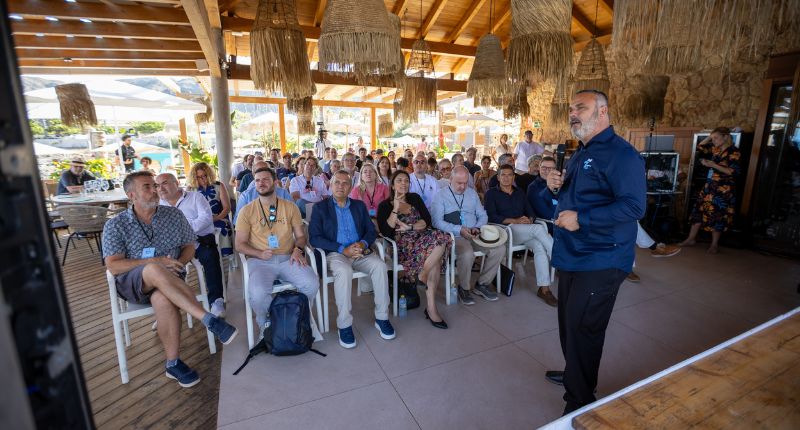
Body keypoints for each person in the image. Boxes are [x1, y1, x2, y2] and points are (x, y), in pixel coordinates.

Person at [544, 90, 646, 415]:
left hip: (602, 258)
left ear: (602, 111)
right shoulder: (580, 152)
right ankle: (576, 374)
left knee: (584, 330)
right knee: (569, 326)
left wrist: (582, 219)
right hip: (572, 254)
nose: (573, 113)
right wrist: (555, 186)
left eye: (581, 108)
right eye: (571, 109)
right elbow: (580, 196)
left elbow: (634, 206)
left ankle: (579, 403)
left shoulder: (622, 155)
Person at [102, 171, 237, 388]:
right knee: (153, 268)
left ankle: (172, 363)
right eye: (147, 187)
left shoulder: (173, 215)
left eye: (154, 185)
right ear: (131, 195)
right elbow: (113, 265)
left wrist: (180, 263)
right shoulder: (116, 225)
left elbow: (189, 246)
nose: (155, 190)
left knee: (163, 299)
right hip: (133, 283)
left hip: (172, 278)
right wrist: (155, 262)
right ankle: (208, 319)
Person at [309, 170, 395, 348]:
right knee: (344, 271)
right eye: (337, 182)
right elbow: (315, 238)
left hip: (359, 251)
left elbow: (370, 231)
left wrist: (363, 244)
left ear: (350, 187)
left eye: (345, 183)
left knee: (380, 266)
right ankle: (345, 324)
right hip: (336, 253)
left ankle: (382, 317)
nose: (340, 186)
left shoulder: (358, 206)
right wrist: (343, 249)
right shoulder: (320, 208)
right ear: (330, 186)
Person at [235, 167, 319, 338]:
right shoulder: (247, 211)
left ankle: (296, 315)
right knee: (258, 294)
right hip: (260, 261)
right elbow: (239, 245)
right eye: (257, 180)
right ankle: (266, 321)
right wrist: (259, 253)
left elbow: (301, 236)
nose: (261, 183)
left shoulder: (290, 207)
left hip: (288, 258)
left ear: (275, 182)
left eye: (265, 179)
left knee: (311, 283)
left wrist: (298, 250)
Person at [377, 170, 451, 329]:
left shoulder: (415, 198)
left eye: (406, 181)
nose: (403, 183)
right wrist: (396, 208)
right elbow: (386, 231)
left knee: (442, 237)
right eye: (399, 180)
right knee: (436, 258)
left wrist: (410, 227)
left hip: (424, 239)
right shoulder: (384, 206)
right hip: (403, 246)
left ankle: (423, 274)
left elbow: (427, 221)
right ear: (392, 185)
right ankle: (431, 309)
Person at [432, 166, 506, 305]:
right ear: (450, 179)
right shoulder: (440, 195)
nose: (462, 187)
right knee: (467, 253)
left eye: (465, 183)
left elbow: (482, 215)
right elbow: (436, 222)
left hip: (474, 233)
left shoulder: (472, 193)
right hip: (455, 236)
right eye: (459, 183)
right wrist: (459, 229)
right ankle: (464, 288)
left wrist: (477, 227)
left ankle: (482, 284)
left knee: (499, 249)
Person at [155, 173, 226, 318]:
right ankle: (166, 308)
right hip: (173, 246)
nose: (160, 188)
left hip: (199, 241)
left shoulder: (195, 197)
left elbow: (205, 219)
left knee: (210, 257)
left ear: (176, 183)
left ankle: (216, 301)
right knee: (161, 265)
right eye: (157, 185)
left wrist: (181, 231)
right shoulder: (158, 205)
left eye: (165, 183)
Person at [485, 164, 556, 307]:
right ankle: (559, 257)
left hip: (523, 231)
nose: (506, 178)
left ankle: (544, 289)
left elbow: (531, 213)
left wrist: (529, 219)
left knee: (539, 246)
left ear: (513, 177)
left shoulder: (520, 192)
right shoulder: (491, 193)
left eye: (509, 175)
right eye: (503, 175)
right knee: (538, 230)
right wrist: (515, 220)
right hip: (505, 230)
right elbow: (491, 216)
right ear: (498, 177)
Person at [679, 127, 741, 254]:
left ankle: (714, 245)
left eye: (716, 138)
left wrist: (713, 165)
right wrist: (710, 135)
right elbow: (700, 146)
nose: (714, 141)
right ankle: (691, 239)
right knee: (698, 211)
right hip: (710, 186)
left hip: (723, 189)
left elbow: (732, 172)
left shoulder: (734, 151)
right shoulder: (716, 149)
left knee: (717, 214)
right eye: (713, 139)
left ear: (725, 137)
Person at [187, 162, 233, 256]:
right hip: (199, 221)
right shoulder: (191, 189)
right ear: (194, 178)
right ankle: (202, 256)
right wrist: (203, 221)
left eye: (205, 175)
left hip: (219, 217)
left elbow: (227, 208)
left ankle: (226, 255)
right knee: (193, 232)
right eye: (199, 177)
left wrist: (215, 219)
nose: (203, 179)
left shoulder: (219, 185)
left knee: (223, 227)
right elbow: (188, 210)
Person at [527, 156, 558, 229]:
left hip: (567, 220)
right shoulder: (533, 187)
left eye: (550, 168)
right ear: (539, 168)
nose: (547, 171)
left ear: (555, 169)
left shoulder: (560, 183)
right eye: (544, 168)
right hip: (548, 225)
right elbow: (544, 212)